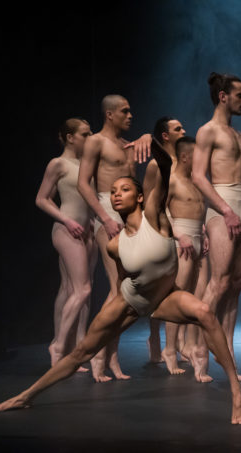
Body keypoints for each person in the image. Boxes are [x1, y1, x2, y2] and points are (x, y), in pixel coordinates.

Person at [0, 139, 241, 425]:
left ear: (140, 197)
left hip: (165, 298)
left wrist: (152, 139)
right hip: (132, 299)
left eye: (124, 189)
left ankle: (237, 394)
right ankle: (26, 395)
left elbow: (164, 166)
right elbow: (128, 280)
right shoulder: (115, 245)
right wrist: (122, 305)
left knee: (205, 313)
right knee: (81, 352)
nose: (116, 195)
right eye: (112, 192)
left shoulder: (156, 217)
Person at [77, 94, 151, 382]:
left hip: (130, 216)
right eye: (125, 111)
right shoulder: (96, 142)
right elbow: (83, 184)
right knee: (116, 289)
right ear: (109, 114)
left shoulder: (127, 146)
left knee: (127, 292)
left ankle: (112, 357)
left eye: (131, 111)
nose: (130, 115)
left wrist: (147, 136)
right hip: (107, 214)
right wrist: (105, 218)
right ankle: (97, 355)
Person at [192, 73, 241, 381]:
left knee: (236, 284)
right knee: (217, 283)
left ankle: (228, 355)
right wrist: (226, 210)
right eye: (240, 95)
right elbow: (198, 176)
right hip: (222, 212)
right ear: (223, 96)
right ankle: (199, 354)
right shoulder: (208, 132)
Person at [35, 118, 97, 370]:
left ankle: (75, 346)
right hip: (66, 230)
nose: (90, 137)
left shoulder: (87, 164)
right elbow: (41, 199)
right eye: (85, 133)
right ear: (70, 137)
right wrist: (67, 220)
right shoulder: (58, 164)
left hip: (87, 231)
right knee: (81, 289)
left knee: (74, 288)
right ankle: (58, 345)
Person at [166, 136, 211, 380]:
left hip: (197, 237)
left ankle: (192, 346)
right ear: (185, 157)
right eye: (196, 154)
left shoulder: (197, 181)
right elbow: (159, 209)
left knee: (199, 296)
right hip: (180, 240)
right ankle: (169, 350)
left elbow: (200, 210)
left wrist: (203, 232)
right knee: (178, 295)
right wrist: (177, 234)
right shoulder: (172, 180)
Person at [143, 117, 185, 365]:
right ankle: (155, 339)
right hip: (163, 228)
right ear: (165, 136)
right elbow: (151, 201)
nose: (184, 131)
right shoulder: (154, 165)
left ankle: (178, 342)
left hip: (184, 227)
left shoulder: (184, 161)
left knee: (181, 287)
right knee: (162, 288)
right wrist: (166, 230)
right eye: (178, 128)